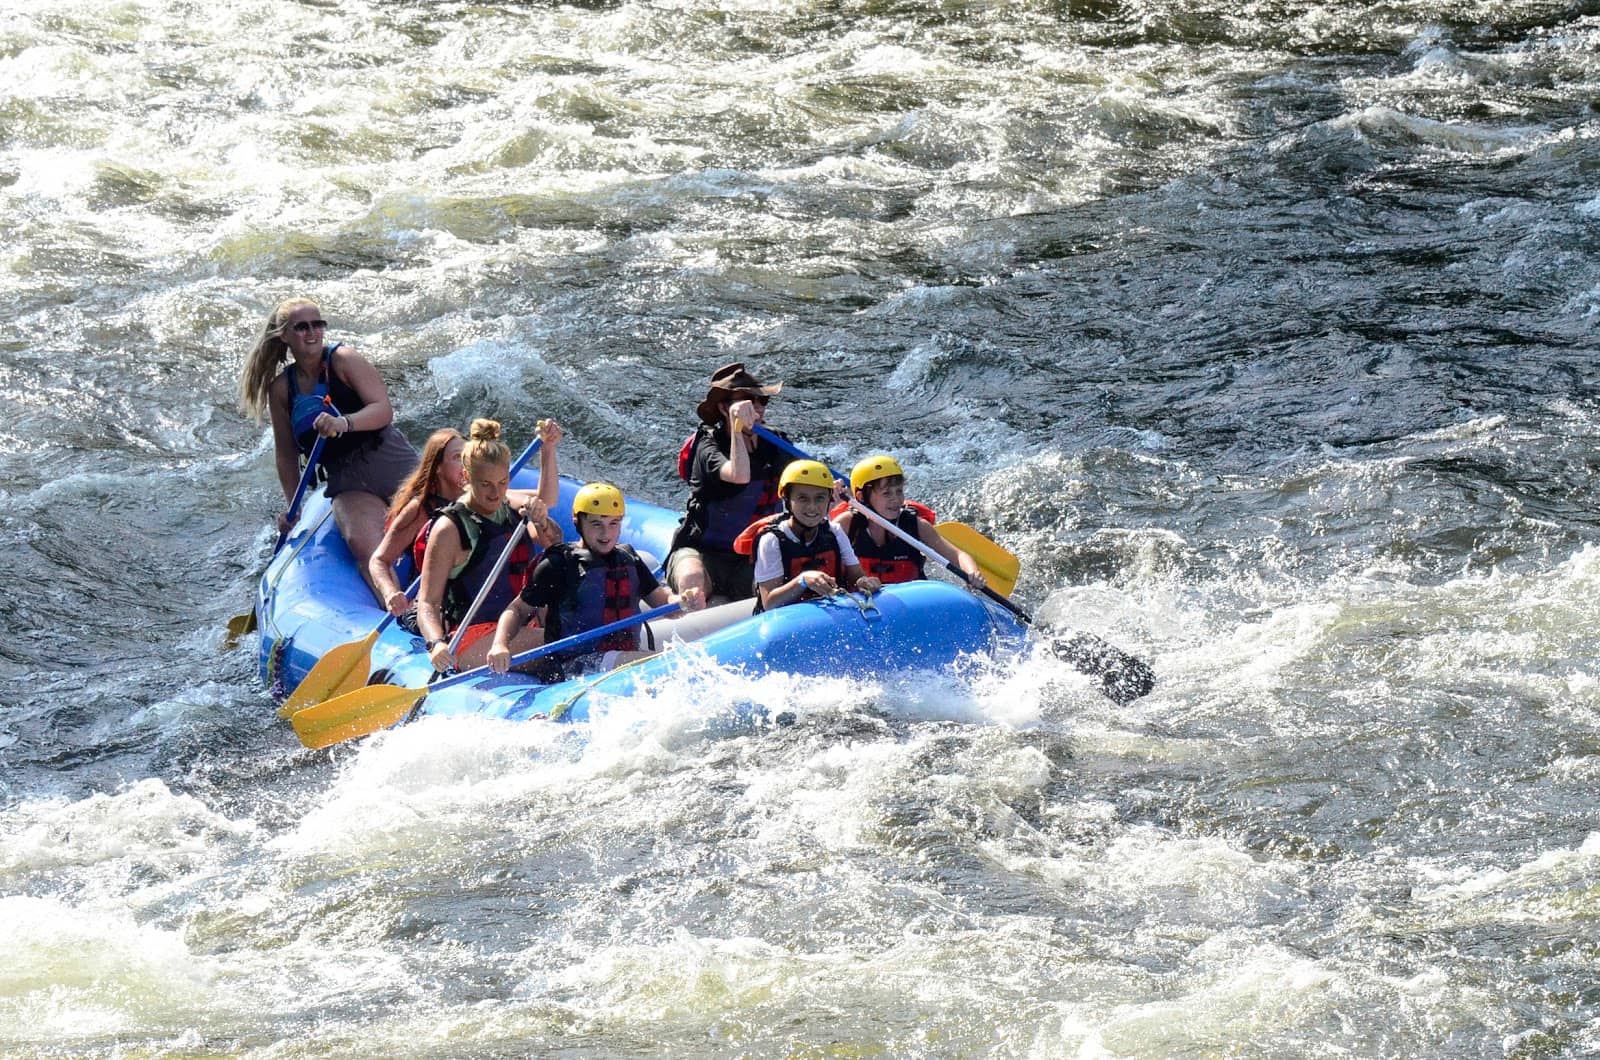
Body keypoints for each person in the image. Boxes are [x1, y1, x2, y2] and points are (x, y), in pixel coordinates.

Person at [238, 297, 417, 596]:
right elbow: (286, 453)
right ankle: (400, 615)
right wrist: (292, 507)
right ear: (284, 336)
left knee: (441, 520)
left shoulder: (344, 360)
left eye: (317, 324)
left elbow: (383, 409)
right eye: (301, 327)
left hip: (387, 458)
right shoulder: (281, 389)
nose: (312, 332)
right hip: (345, 480)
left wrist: (343, 423)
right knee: (364, 547)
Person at [488, 483, 705, 677]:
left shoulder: (628, 558)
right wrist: (500, 644)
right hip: (572, 666)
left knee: (661, 663)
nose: (606, 533)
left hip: (621, 657)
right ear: (577, 521)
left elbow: (664, 603)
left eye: (613, 524)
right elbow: (517, 609)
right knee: (658, 664)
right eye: (596, 524)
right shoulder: (558, 563)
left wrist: (683, 601)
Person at [368, 419, 564, 621]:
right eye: (456, 457)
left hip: (483, 603)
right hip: (438, 609)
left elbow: (546, 500)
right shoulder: (422, 509)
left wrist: (548, 449)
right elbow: (379, 560)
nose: (465, 461)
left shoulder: (492, 497)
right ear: (438, 468)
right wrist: (390, 593)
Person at [416, 419, 565, 673]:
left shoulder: (511, 505)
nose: (496, 493)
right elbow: (428, 602)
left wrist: (548, 450)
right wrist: (436, 643)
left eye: (502, 482)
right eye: (485, 484)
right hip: (475, 636)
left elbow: (551, 531)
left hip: (520, 624)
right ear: (466, 477)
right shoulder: (449, 529)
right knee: (565, 640)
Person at [665, 362, 792, 604]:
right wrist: (737, 430)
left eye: (760, 401)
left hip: (754, 557)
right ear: (724, 408)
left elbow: (804, 485)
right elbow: (739, 475)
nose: (755, 409)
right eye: (745, 401)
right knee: (691, 576)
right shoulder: (707, 446)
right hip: (703, 553)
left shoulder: (777, 443)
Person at [741, 460, 880, 613]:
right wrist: (803, 580)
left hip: (827, 618)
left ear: (829, 500)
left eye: (820, 498)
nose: (812, 507)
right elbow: (770, 603)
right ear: (787, 500)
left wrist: (864, 582)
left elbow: (856, 576)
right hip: (785, 623)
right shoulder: (772, 541)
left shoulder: (834, 531)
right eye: (802, 498)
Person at [833, 453, 986, 588]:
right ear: (860, 497)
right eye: (886, 493)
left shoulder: (916, 526)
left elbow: (959, 555)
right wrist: (830, 502)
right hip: (861, 602)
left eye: (899, 491)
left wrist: (972, 572)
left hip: (909, 603)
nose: (896, 499)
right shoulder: (847, 524)